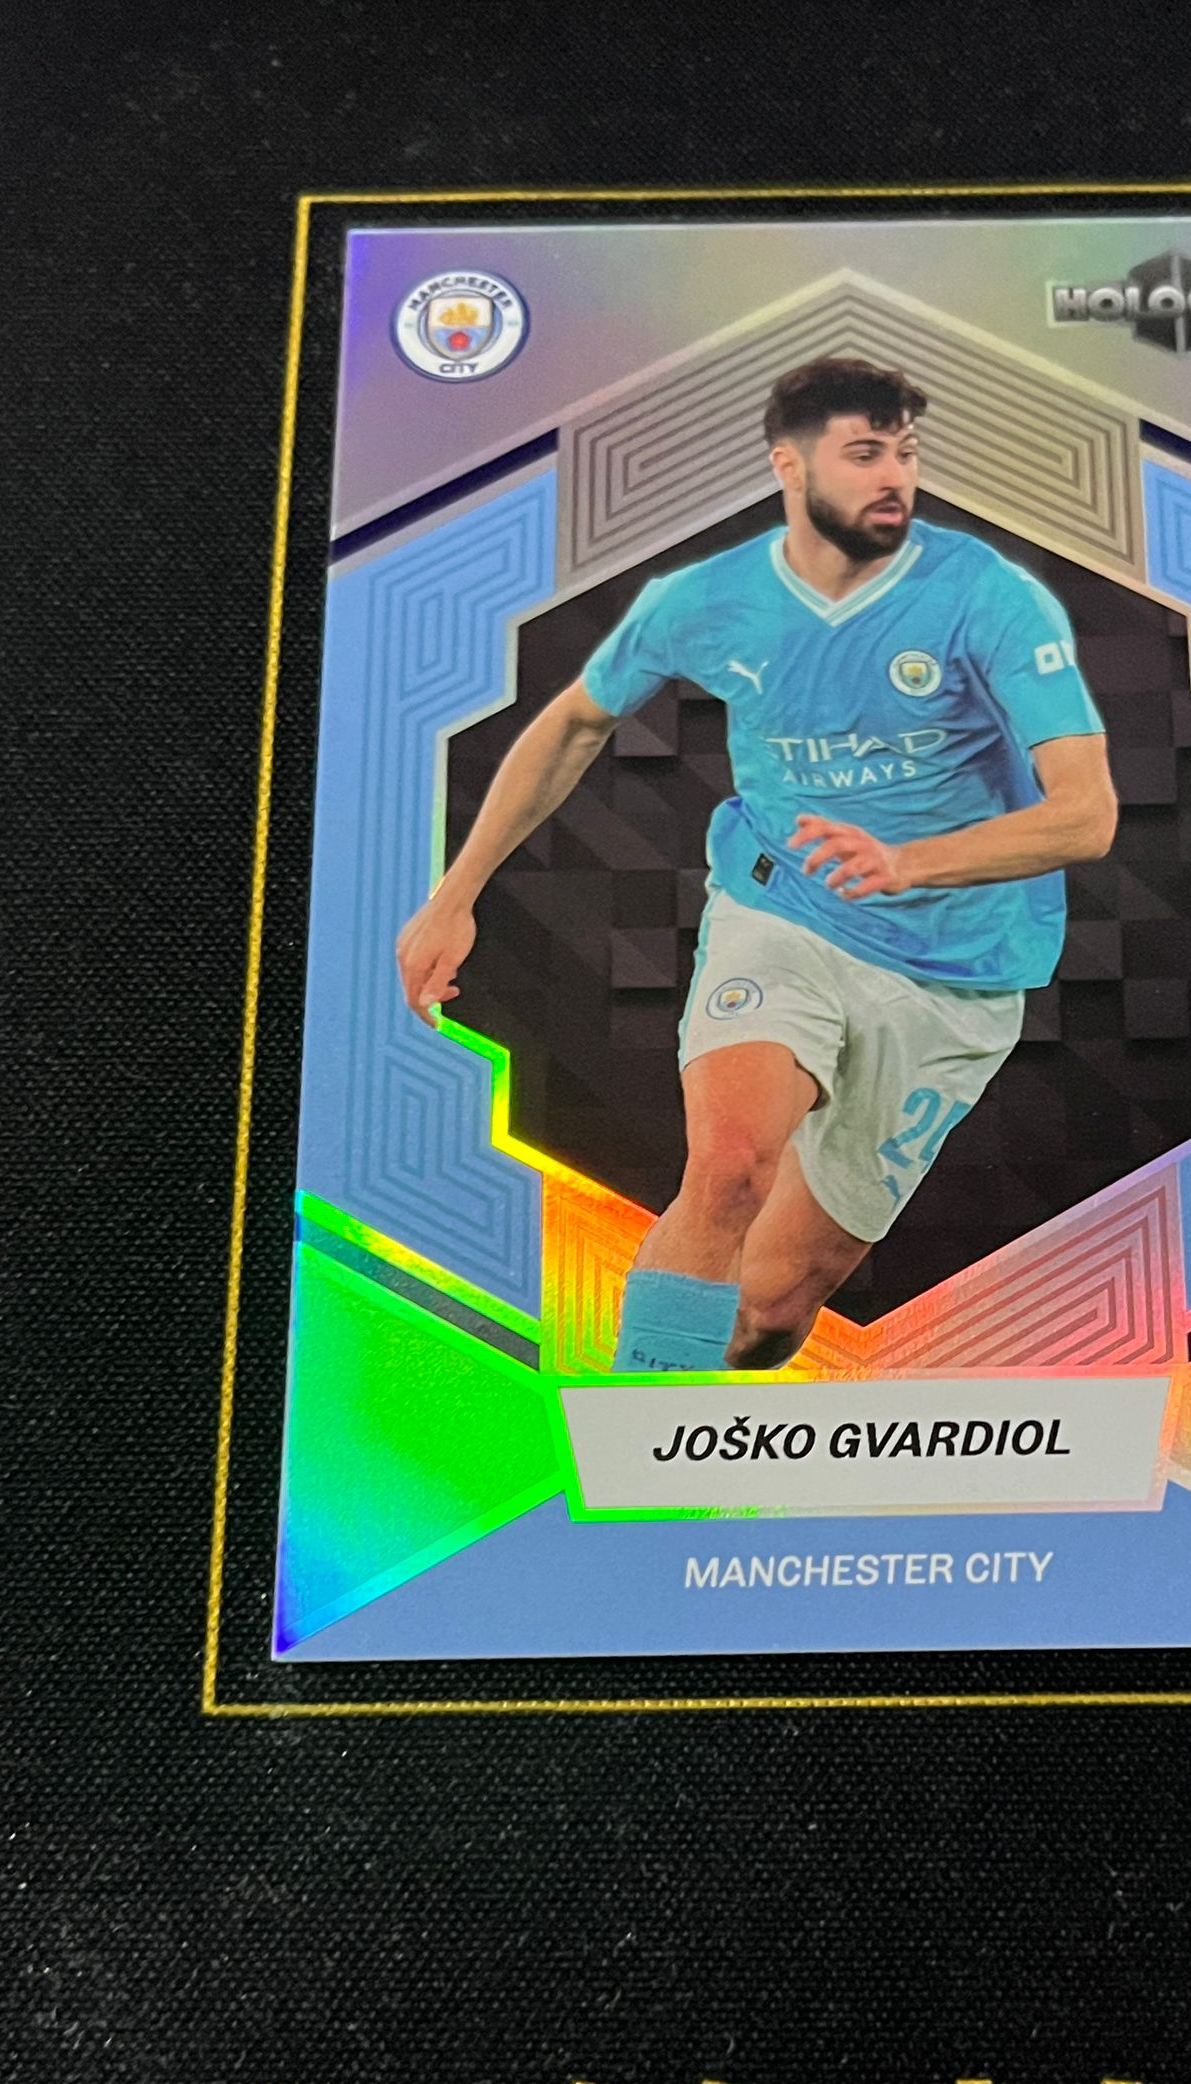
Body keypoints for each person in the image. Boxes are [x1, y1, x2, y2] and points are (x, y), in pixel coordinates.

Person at [396, 356, 1116, 1372]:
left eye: (905, 453)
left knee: (768, 1309)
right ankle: (641, 1447)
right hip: (784, 913)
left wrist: (911, 861)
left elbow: (1084, 816)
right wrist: (454, 896)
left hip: (960, 972)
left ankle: (716, 1387)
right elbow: (573, 726)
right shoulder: (704, 600)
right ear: (789, 464)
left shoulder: (988, 598)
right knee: (730, 1168)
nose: (894, 477)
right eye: (864, 453)